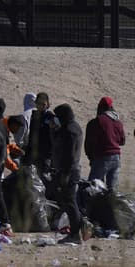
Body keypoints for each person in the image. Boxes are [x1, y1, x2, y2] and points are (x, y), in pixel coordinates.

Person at [51, 103, 83, 245]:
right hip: (69, 170)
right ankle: (77, 230)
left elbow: (69, 155)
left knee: (70, 202)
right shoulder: (71, 127)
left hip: (69, 171)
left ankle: (75, 234)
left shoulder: (70, 130)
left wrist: (65, 174)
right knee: (68, 201)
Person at [84, 96, 125, 192]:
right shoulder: (118, 121)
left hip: (102, 157)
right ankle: (110, 202)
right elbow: (122, 141)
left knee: (93, 187)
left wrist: (90, 157)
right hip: (116, 157)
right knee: (112, 190)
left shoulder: (97, 121)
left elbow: (89, 142)